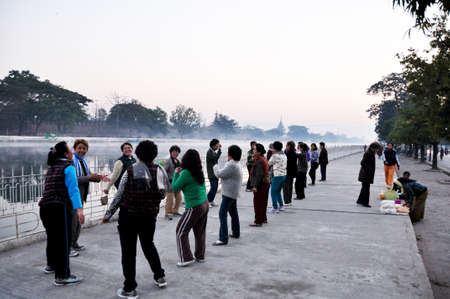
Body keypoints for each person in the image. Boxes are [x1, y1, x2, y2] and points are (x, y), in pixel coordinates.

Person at [102, 140, 169, 298]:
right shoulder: (160, 170)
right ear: (154, 154)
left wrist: (108, 214)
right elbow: (163, 194)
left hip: (128, 216)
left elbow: (119, 195)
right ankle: (160, 277)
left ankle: (130, 288)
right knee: (148, 245)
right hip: (149, 216)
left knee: (128, 252)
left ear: (137, 153)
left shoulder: (131, 169)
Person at [39, 141, 84, 286]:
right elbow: (74, 190)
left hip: (44, 207)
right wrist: (79, 210)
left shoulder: (52, 168)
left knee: (52, 238)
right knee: (63, 242)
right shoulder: (68, 167)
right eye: (71, 150)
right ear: (66, 154)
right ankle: (62, 275)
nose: (73, 152)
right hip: (59, 208)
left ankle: (51, 265)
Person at [172, 149, 209, 267]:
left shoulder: (185, 173)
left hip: (194, 206)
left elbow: (175, 188)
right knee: (200, 232)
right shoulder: (199, 170)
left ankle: (186, 258)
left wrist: (175, 174)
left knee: (180, 231)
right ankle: (200, 256)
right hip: (204, 203)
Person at [71, 139, 107, 256]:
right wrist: (89, 178)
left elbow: (88, 175)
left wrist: (99, 177)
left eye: (84, 148)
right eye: (79, 148)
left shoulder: (83, 161)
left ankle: (74, 243)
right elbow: (73, 179)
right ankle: (69, 247)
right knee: (72, 221)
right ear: (74, 149)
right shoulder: (72, 161)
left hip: (82, 195)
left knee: (77, 221)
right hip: (73, 195)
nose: (82, 150)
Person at [212, 145, 243, 245]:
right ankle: (236, 232)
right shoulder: (236, 163)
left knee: (222, 214)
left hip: (229, 193)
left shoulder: (231, 165)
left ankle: (223, 238)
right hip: (233, 192)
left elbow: (220, 174)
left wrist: (215, 166)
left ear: (231, 154)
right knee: (233, 213)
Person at [249, 143, 270, 226]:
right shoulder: (261, 158)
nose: (253, 150)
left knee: (258, 203)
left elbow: (258, 175)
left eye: (254, 149)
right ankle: (263, 218)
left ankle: (258, 221)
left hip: (261, 184)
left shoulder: (259, 161)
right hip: (265, 183)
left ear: (258, 152)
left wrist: (254, 186)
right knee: (263, 202)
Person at [356, 142, 381, 208]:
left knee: (364, 188)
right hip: (366, 174)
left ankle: (359, 200)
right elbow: (362, 163)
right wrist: (369, 169)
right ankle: (365, 202)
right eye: (377, 149)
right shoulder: (368, 153)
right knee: (366, 189)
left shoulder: (371, 153)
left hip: (367, 174)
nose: (377, 150)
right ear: (373, 148)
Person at [163, 145, 183, 221]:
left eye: (177, 152)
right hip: (170, 183)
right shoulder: (168, 161)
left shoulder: (178, 161)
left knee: (179, 198)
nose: (175, 153)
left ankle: (175, 211)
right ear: (171, 152)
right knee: (170, 199)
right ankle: (167, 213)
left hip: (177, 183)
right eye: (174, 151)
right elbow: (164, 172)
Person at [268, 141, 287, 213]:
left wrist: (272, 154)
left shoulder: (275, 155)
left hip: (277, 176)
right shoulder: (284, 155)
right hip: (284, 175)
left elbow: (268, 163)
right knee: (278, 191)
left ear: (274, 148)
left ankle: (275, 208)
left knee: (273, 192)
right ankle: (281, 206)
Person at [206, 139, 222, 207]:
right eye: (217, 145)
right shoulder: (209, 152)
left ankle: (211, 200)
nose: (218, 146)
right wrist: (219, 149)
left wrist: (218, 150)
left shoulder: (213, 151)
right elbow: (215, 157)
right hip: (211, 173)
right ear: (213, 145)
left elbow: (216, 157)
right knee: (213, 187)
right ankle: (207, 201)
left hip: (215, 172)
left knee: (215, 188)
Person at [283, 141, 297, 206]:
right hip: (292, 172)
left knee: (286, 187)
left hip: (287, 172)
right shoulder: (294, 152)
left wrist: (285, 152)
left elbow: (285, 162)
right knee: (290, 186)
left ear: (289, 146)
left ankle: (286, 201)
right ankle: (289, 201)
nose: (285, 147)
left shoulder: (288, 153)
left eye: (286, 145)